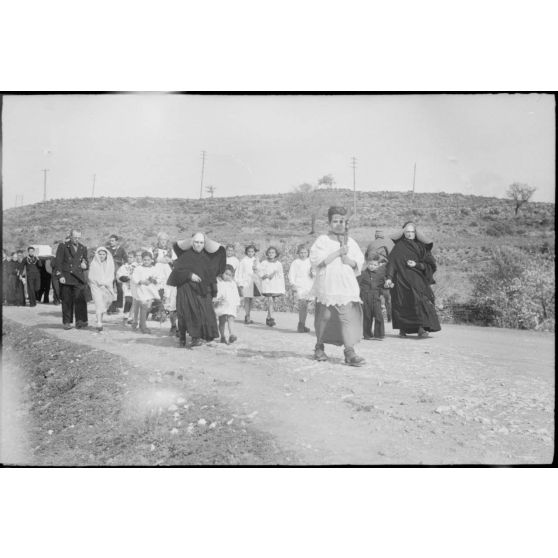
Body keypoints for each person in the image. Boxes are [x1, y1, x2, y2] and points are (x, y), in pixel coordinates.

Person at [309, 206, 365, 366]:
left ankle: (350, 352)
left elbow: (359, 262)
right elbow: (317, 261)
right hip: (328, 285)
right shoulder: (322, 240)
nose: (339, 224)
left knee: (347, 317)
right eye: (335, 221)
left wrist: (350, 261)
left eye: (342, 221)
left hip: (346, 286)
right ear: (329, 223)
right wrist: (337, 253)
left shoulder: (352, 242)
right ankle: (319, 347)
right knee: (324, 318)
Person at [167, 233, 225, 348]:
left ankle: (202, 337)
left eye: (201, 243)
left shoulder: (207, 257)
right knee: (189, 313)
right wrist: (189, 275)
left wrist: (214, 292)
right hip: (187, 290)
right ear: (192, 243)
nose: (198, 245)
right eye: (196, 242)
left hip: (203, 291)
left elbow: (211, 275)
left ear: (204, 244)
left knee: (205, 313)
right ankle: (189, 338)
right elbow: (176, 272)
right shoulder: (185, 256)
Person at [384, 221, 441, 338]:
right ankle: (403, 328)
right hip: (401, 281)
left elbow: (429, 265)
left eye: (412, 232)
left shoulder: (421, 247)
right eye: (407, 232)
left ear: (416, 233)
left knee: (420, 301)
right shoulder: (398, 248)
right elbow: (392, 264)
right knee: (403, 303)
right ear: (403, 233)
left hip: (417, 280)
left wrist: (416, 265)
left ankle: (421, 328)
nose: (410, 234)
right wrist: (389, 278)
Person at [53, 229, 89, 330]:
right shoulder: (63, 246)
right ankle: (67, 322)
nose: (76, 239)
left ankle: (81, 321)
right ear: (70, 236)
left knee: (80, 300)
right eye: (75, 237)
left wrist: (84, 265)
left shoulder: (83, 247)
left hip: (79, 278)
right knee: (67, 301)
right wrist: (60, 276)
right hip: (67, 277)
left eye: (78, 237)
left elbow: (86, 262)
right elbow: (58, 263)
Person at [131, 251, 163, 334]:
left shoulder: (154, 269)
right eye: (144, 260)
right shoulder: (138, 268)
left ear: (151, 260)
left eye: (148, 260)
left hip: (150, 290)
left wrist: (153, 280)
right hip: (141, 289)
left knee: (147, 307)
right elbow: (134, 278)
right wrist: (141, 281)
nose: (146, 261)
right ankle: (143, 327)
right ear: (142, 260)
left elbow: (160, 278)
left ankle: (142, 324)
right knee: (144, 306)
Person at [365, 229, 394, 322]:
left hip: (372, 270)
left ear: (375, 236)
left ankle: (373, 315)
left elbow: (366, 257)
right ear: (383, 236)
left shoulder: (370, 244)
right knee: (387, 295)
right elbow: (392, 257)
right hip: (384, 270)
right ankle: (389, 317)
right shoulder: (388, 243)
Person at [358, 253, 388, 340]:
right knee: (367, 316)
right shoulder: (362, 274)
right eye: (370, 264)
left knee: (379, 315)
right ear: (367, 264)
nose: (372, 266)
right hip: (365, 297)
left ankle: (379, 334)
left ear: (378, 265)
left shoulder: (380, 275)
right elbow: (357, 285)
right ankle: (367, 335)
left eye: (375, 265)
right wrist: (359, 296)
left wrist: (386, 286)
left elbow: (382, 286)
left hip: (376, 297)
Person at [288, 244, 315, 333]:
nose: (303, 254)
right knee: (302, 305)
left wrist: (313, 274)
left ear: (308, 253)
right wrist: (293, 284)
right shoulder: (296, 262)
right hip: (299, 286)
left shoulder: (311, 261)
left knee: (306, 307)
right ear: (298, 253)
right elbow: (291, 274)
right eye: (301, 252)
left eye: (305, 252)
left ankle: (303, 324)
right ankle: (301, 325)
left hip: (309, 286)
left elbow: (315, 273)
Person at [88, 247, 116, 332]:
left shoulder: (109, 264)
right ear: (97, 254)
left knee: (104, 304)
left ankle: (101, 320)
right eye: (100, 254)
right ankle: (99, 322)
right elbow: (91, 276)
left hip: (107, 286)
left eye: (103, 254)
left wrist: (106, 283)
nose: (101, 256)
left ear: (106, 255)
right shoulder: (94, 264)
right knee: (98, 303)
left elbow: (111, 275)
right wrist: (99, 283)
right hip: (96, 287)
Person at [258, 246, 285, 327]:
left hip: (275, 284)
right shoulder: (264, 263)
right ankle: (271, 318)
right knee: (270, 300)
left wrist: (274, 274)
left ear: (276, 254)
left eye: (273, 253)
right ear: (267, 253)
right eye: (269, 252)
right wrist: (264, 275)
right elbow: (260, 272)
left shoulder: (278, 264)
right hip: (267, 284)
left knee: (272, 301)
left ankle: (268, 317)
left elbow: (281, 275)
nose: (271, 254)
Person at [214, 264, 241, 344]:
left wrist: (237, 304)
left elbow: (236, 294)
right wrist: (217, 298)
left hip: (231, 304)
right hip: (222, 304)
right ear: (222, 273)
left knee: (231, 319)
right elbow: (216, 292)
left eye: (230, 275)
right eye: (226, 274)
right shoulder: (218, 281)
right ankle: (222, 336)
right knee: (222, 321)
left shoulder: (233, 283)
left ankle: (231, 334)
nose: (228, 276)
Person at [235, 244, 261, 324]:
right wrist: (240, 283)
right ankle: (247, 315)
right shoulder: (243, 261)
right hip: (245, 282)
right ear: (246, 252)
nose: (250, 253)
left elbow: (260, 271)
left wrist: (257, 268)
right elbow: (239, 272)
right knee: (246, 299)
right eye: (249, 251)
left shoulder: (256, 260)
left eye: (252, 251)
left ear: (254, 252)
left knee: (251, 299)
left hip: (253, 281)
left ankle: (249, 314)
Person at [106, 234, 127, 314]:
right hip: (109, 272)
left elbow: (125, 259)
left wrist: (121, 264)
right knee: (109, 289)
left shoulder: (121, 249)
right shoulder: (107, 249)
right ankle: (110, 305)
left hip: (118, 271)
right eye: (110, 241)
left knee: (120, 289)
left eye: (113, 241)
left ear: (116, 241)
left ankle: (119, 305)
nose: (111, 242)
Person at [116, 252, 137, 325]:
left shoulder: (137, 266)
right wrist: (126, 278)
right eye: (128, 257)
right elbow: (119, 276)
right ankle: (125, 316)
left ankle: (130, 317)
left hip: (135, 286)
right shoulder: (124, 267)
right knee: (128, 300)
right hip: (127, 285)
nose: (129, 259)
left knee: (134, 302)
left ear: (134, 258)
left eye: (131, 257)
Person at [50, 240, 62, 305]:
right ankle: (56, 300)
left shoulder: (63, 255)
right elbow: (52, 265)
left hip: (61, 274)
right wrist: (54, 257)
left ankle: (58, 300)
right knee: (56, 288)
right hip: (55, 275)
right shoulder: (53, 256)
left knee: (61, 288)